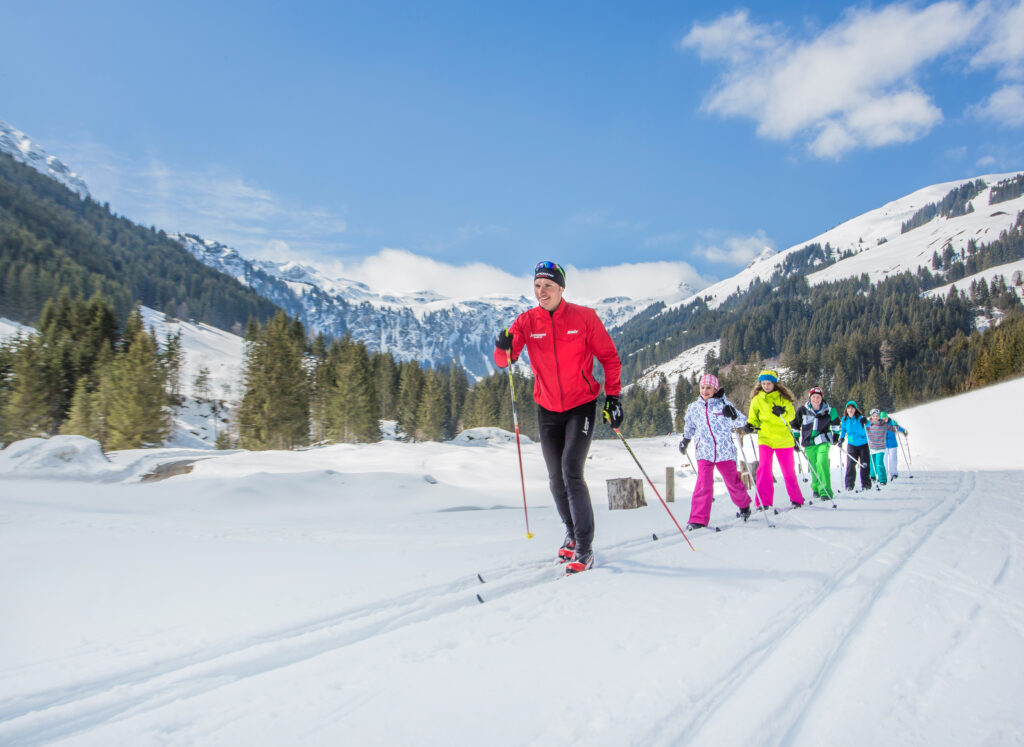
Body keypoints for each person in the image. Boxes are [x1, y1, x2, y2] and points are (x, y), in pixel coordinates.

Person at [494, 261, 622, 574]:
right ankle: (570, 532)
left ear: (561, 288)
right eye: (537, 286)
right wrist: (503, 347)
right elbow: (504, 361)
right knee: (555, 479)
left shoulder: (584, 318)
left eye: (548, 286)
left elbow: (609, 358)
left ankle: (584, 547)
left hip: (582, 405)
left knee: (571, 471)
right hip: (547, 408)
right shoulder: (526, 320)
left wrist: (614, 397)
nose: (542, 292)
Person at [678, 373, 753, 530]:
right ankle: (698, 519)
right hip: (704, 452)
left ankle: (744, 504)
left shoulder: (724, 405)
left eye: (709, 388)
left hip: (724, 452)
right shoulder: (694, 408)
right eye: (703, 387)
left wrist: (732, 414)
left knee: (732, 481)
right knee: (703, 484)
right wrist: (685, 440)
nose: (705, 391)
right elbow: (690, 426)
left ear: (715, 389)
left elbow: (742, 421)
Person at [745, 369, 804, 509]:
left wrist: (782, 411)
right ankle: (763, 502)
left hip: (783, 438)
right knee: (764, 469)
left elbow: (791, 415)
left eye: (769, 383)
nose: (766, 386)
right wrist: (750, 425)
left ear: (774, 384)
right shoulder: (757, 399)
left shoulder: (783, 397)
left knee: (788, 470)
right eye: (764, 383)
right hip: (765, 438)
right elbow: (753, 416)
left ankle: (796, 499)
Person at [791, 386, 841, 500]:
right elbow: (795, 425)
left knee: (822, 462)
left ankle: (825, 491)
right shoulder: (802, 410)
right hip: (809, 442)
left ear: (821, 398)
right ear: (810, 398)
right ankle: (816, 487)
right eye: (814, 397)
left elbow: (836, 423)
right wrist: (796, 439)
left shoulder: (829, 410)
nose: (816, 399)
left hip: (823, 440)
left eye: (818, 397)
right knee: (813, 466)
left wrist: (836, 436)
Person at [839, 401, 871, 492]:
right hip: (852, 445)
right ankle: (849, 484)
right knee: (850, 465)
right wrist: (841, 439)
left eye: (852, 408)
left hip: (863, 444)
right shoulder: (844, 420)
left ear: (855, 409)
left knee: (864, 464)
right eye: (849, 408)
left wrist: (866, 421)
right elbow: (843, 430)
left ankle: (866, 484)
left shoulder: (860, 418)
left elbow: (868, 424)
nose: (850, 410)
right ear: (846, 409)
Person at [865, 408, 898, 486]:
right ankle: (872, 476)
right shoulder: (869, 424)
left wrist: (895, 426)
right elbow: (863, 430)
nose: (876, 417)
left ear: (879, 416)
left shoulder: (883, 424)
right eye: (874, 416)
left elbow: (893, 429)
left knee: (879, 463)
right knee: (872, 463)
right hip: (872, 447)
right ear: (871, 417)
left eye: (877, 416)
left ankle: (882, 479)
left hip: (880, 447)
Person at [880, 411, 908, 479]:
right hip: (883, 444)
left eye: (885, 418)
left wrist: (904, 431)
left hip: (893, 444)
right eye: (883, 418)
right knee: (884, 459)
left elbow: (899, 428)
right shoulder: (879, 424)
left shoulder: (892, 423)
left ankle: (894, 473)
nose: (885, 420)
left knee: (893, 459)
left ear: (887, 417)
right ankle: (884, 473)